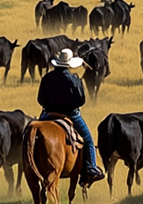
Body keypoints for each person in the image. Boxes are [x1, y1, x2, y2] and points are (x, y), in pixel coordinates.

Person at [36, 47, 105, 184]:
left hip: (47, 114)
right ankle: (91, 169)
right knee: (88, 140)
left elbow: (40, 99)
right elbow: (81, 100)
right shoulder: (74, 79)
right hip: (70, 115)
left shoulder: (47, 78)